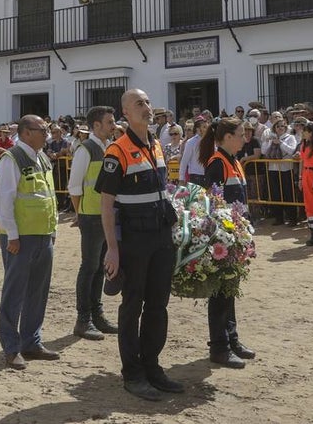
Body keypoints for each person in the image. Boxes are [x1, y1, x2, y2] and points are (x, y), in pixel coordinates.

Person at [98, 91, 181, 401]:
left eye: (147, 103)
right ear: (125, 112)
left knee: (158, 305)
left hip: (160, 237)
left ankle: (153, 367)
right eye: (139, 104)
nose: (147, 108)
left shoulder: (156, 145)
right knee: (132, 306)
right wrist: (112, 248)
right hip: (133, 240)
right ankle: (132, 373)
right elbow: (106, 205)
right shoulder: (116, 151)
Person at [0, 114, 60, 371]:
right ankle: (11, 349)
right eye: (41, 129)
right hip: (20, 238)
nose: (46, 132)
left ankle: (31, 342)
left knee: (38, 292)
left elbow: (49, 196)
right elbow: (4, 200)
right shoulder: (12, 159)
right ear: (25, 132)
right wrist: (11, 234)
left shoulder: (43, 158)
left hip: (43, 234)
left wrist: (53, 228)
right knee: (14, 293)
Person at [199, 118, 256, 370]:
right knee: (220, 293)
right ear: (228, 137)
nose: (245, 138)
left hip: (236, 236)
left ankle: (231, 339)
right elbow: (212, 203)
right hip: (223, 237)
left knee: (230, 291)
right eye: (241, 134)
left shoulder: (233, 162)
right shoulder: (217, 163)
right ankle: (219, 346)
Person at [67, 105, 117, 341]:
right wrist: (80, 213)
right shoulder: (85, 149)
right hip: (91, 216)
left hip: (104, 216)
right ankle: (83, 319)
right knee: (89, 267)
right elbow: (75, 186)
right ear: (96, 126)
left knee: (100, 267)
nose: (113, 125)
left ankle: (97, 314)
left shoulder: (108, 148)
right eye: (109, 121)